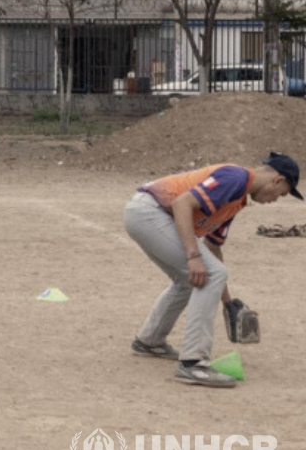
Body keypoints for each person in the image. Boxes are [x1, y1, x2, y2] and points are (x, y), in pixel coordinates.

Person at [124, 152, 302, 388]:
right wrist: (193, 256)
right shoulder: (236, 178)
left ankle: (150, 341)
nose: (275, 200)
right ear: (277, 180)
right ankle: (193, 363)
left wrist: (228, 302)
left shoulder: (237, 198)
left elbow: (213, 247)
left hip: (146, 213)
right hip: (150, 213)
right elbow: (182, 203)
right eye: (282, 193)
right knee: (208, 272)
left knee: (192, 278)